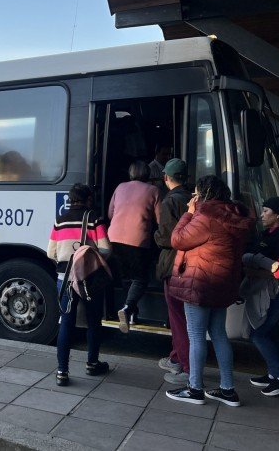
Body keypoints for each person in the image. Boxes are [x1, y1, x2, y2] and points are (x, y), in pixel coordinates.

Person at [165, 175, 254, 407]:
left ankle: (194, 389)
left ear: (203, 194)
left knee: (196, 336)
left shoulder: (205, 216)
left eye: (195, 193)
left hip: (200, 283)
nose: (193, 197)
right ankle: (227, 389)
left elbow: (178, 239)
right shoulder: (233, 215)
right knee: (218, 334)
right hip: (222, 284)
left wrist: (189, 213)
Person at [48, 184, 110, 385]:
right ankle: (92, 363)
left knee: (66, 322)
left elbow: (51, 253)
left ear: (70, 199)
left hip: (64, 279)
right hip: (89, 279)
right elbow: (106, 249)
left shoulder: (60, 220)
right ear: (88, 199)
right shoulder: (94, 219)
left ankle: (62, 372)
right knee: (93, 322)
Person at [241, 197, 279, 396]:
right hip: (268, 291)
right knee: (270, 332)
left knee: (259, 333)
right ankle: (273, 374)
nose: (262, 215)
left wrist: (255, 270)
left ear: (278, 216)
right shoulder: (266, 233)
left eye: (266, 211)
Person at [108, 160, 161, 333]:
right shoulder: (154, 191)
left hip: (114, 238)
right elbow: (160, 220)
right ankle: (128, 308)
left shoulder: (120, 187)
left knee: (126, 278)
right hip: (137, 240)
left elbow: (110, 213)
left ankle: (132, 313)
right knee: (140, 279)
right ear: (148, 174)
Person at [153, 159, 192, 385]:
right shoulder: (193, 199)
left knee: (178, 318)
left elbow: (168, 237)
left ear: (166, 178)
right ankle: (177, 357)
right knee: (183, 317)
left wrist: (155, 237)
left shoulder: (169, 202)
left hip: (174, 264)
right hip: (190, 265)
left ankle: (184, 365)